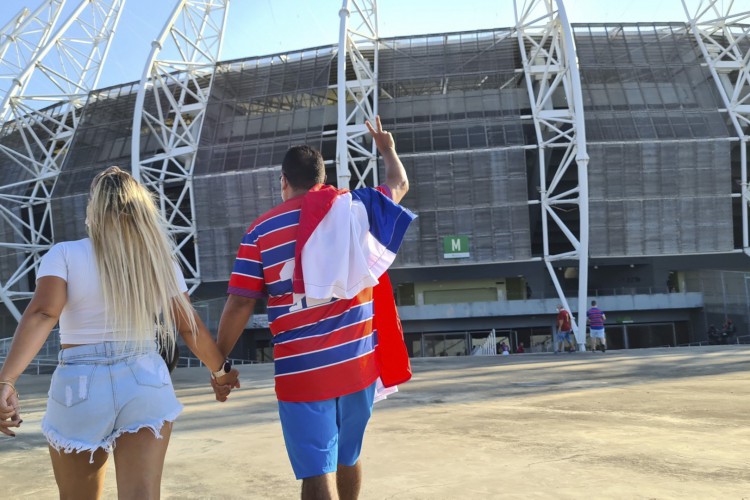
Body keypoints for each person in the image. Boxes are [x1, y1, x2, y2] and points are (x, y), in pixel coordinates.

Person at [0, 167, 239, 499]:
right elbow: (188, 325)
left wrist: (6, 380)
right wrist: (221, 372)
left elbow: (43, 313)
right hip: (145, 380)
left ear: (93, 209)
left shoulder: (65, 254)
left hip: (80, 386)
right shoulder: (159, 260)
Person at [214, 116, 413, 499]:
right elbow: (399, 184)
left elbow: (240, 302)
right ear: (322, 179)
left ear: (283, 181)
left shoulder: (260, 231)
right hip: (356, 363)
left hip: (302, 371)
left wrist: (219, 365)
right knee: (348, 457)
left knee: (314, 471)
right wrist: (387, 149)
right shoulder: (356, 208)